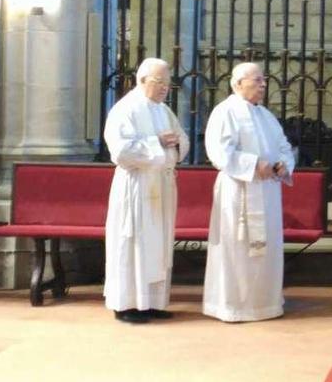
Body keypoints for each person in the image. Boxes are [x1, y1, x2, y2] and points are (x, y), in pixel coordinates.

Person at [203, 62, 296, 322]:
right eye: (257, 80)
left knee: (267, 248)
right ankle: (233, 306)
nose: (263, 85)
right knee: (236, 248)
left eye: (263, 80)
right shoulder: (225, 112)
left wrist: (282, 165)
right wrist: (255, 164)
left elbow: (284, 147)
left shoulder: (266, 116)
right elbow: (219, 152)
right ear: (237, 83)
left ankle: (264, 304)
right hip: (238, 191)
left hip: (267, 192)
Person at [103, 58, 189, 324]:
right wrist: (157, 142)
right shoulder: (125, 109)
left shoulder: (164, 111)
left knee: (158, 244)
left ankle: (151, 302)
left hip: (161, 185)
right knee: (134, 243)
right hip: (136, 185)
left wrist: (175, 145)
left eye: (168, 83)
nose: (165, 88)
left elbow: (182, 139)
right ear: (142, 80)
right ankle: (126, 304)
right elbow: (120, 151)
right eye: (159, 82)